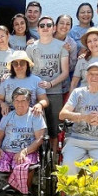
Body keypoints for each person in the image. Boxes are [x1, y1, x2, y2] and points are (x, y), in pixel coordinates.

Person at [60, 62, 98, 177]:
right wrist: (84, 117)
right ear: (86, 76)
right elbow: (62, 114)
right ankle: (72, 195)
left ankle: (97, 195)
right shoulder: (78, 92)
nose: (94, 77)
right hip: (77, 139)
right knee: (68, 166)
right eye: (91, 74)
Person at [0, 87, 47, 196]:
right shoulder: (8, 116)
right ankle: (18, 186)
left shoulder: (35, 116)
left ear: (29, 101)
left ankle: (18, 187)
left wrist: (24, 152)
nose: (20, 104)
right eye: (17, 101)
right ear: (13, 102)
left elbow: (40, 139)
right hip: (7, 150)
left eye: (23, 101)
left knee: (21, 165)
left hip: (28, 151)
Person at [26, 16, 69, 151]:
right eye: (42, 25)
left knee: (54, 128)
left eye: (49, 25)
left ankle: (54, 160)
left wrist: (50, 84)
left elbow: (65, 72)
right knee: (36, 128)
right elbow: (27, 71)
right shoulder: (31, 47)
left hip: (55, 92)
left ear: (54, 28)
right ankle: (38, 158)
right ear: (37, 29)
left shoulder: (62, 46)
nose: (45, 28)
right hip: (36, 93)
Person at [0, 50, 48, 116]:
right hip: (10, 115)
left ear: (27, 64)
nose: (19, 66)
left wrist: (40, 105)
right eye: (15, 63)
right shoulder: (6, 80)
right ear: (12, 66)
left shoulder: (36, 80)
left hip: (31, 115)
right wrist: (2, 104)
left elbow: (44, 100)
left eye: (22, 63)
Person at [70, 27, 98, 94]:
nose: (93, 43)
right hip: (85, 100)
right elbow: (74, 83)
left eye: (95, 40)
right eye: (89, 41)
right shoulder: (82, 60)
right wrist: (71, 101)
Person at [53, 15, 78, 101]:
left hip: (62, 85)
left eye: (68, 24)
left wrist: (67, 54)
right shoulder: (47, 37)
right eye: (62, 23)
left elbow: (72, 67)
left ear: (71, 27)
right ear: (56, 25)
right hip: (45, 79)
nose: (64, 26)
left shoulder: (72, 44)